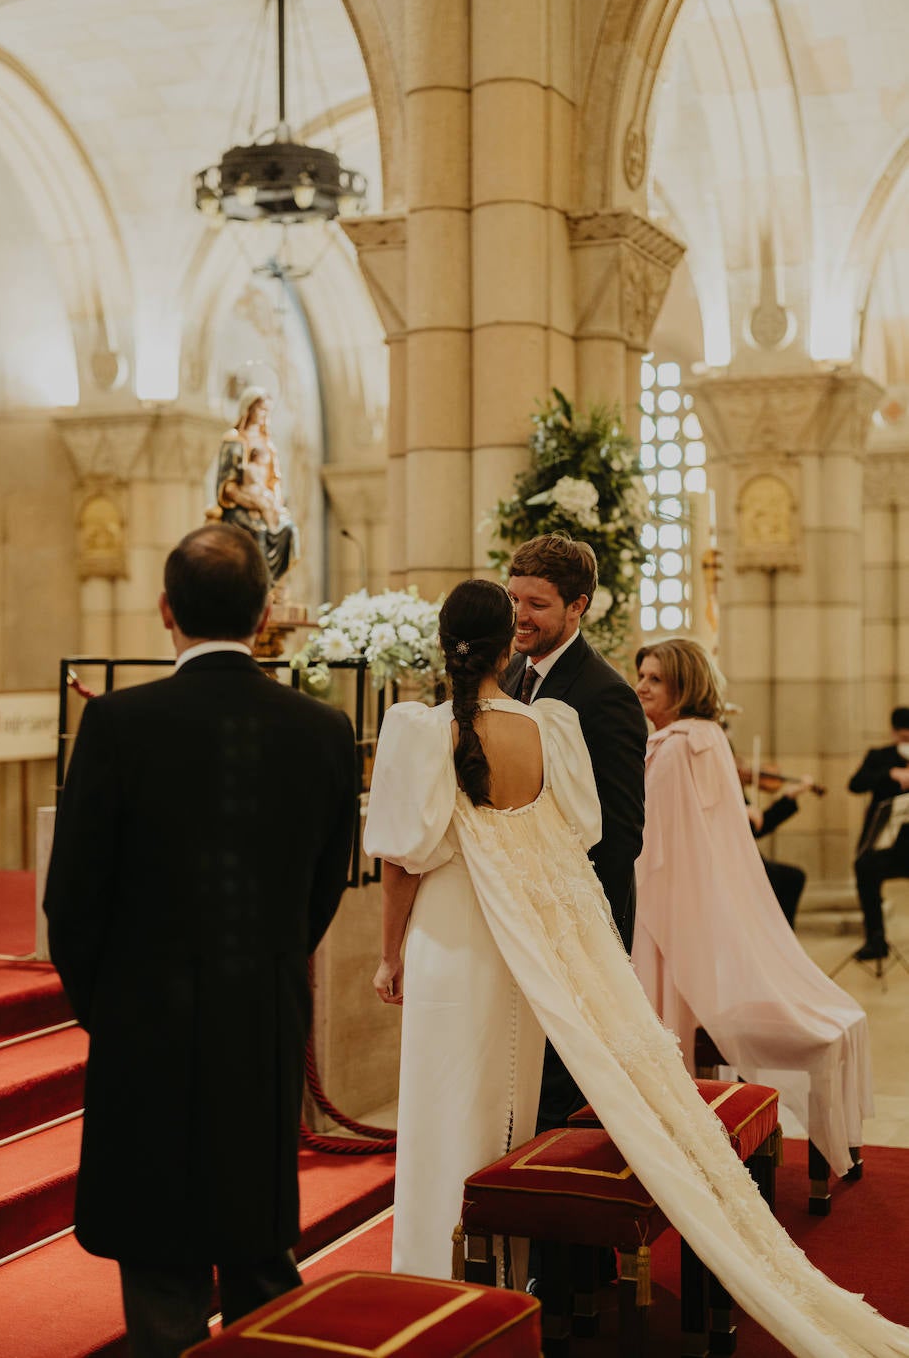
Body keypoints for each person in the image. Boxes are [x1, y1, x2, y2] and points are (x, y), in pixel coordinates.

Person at [364, 580, 909, 1358]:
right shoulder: (545, 724)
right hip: (518, 946)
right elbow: (581, 832)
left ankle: (439, 1279)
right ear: (504, 642)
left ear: (443, 642)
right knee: (506, 1106)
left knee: (443, 1102)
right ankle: (511, 1276)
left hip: (452, 937)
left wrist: (389, 955)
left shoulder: (421, 730)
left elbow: (402, 858)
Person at [44, 524, 356, 1358]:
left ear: (164, 611)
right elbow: (325, 887)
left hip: (144, 1027)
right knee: (259, 1256)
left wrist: (109, 1006)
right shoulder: (323, 732)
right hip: (260, 1022)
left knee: (159, 1270)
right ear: (263, 615)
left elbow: (70, 902)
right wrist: (266, 968)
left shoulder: (116, 724)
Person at [632, 637, 872, 1181]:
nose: (641, 686)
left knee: (663, 1015)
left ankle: (683, 1137)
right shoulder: (709, 736)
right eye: (641, 675)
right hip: (706, 904)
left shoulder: (671, 747)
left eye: (654, 679)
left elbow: (655, 846)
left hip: (669, 905)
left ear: (683, 686)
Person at [503, 533, 647, 1133]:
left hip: (582, 915)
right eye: (514, 600)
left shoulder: (606, 695)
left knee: (570, 1083)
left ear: (577, 606)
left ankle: (567, 1208)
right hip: (523, 909)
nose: (520, 617)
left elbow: (622, 834)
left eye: (536, 604)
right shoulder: (511, 674)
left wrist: (567, 910)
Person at [211, 386, 299, 584]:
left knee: (288, 529)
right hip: (240, 505)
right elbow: (228, 484)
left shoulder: (268, 444)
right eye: (260, 409)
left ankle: (274, 587)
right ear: (248, 409)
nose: (263, 414)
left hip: (265, 502)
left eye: (267, 410)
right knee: (258, 530)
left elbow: (274, 480)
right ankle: (255, 585)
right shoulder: (234, 440)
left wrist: (275, 502)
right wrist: (253, 502)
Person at [848, 707, 909, 960]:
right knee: (864, 867)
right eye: (903, 736)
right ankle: (875, 939)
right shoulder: (880, 756)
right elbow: (855, 784)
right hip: (886, 846)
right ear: (894, 733)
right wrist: (890, 774)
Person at [745, 775, 814, 927]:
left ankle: (782, 937)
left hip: (745, 858)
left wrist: (789, 797)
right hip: (729, 861)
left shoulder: (734, 787)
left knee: (793, 877)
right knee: (784, 879)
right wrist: (739, 812)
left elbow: (758, 827)